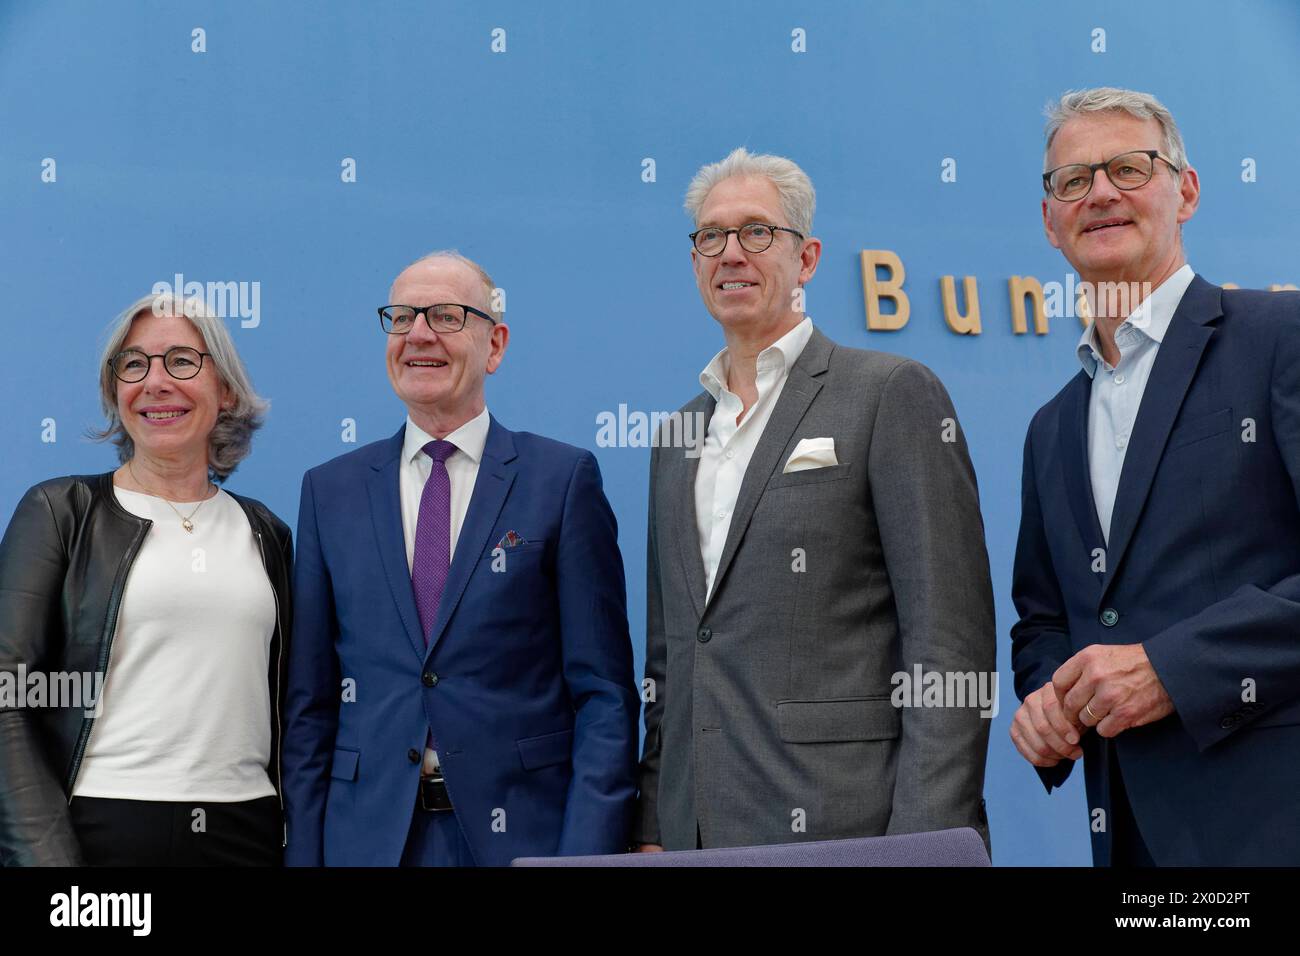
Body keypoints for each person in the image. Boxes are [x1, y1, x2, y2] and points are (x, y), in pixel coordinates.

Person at [635, 149, 996, 853]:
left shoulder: (889, 393)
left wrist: (924, 842)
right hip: (695, 835)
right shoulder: (676, 437)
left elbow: (948, 644)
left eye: (757, 232)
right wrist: (654, 819)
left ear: (807, 259)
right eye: (711, 236)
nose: (731, 253)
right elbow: (671, 658)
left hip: (847, 829)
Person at [1009, 87, 1300, 865]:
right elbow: (1044, 620)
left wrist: (1173, 670)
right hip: (1129, 834)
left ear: (1187, 190)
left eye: (1129, 168)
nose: (1100, 192)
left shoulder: (1280, 337)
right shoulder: (1049, 429)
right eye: (1073, 181)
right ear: (1050, 221)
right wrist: (1046, 701)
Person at [283, 250, 639, 866]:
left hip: (523, 841)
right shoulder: (329, 490)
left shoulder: (561, 480)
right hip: (366, 842)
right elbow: (310, 706)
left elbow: (603, 696)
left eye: (445, 316)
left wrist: (586, 857)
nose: (418, 334)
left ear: (494, 344)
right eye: (401, 318)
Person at [0, 293, 291, 866]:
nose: (155, 382)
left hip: (247, 833)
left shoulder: (267, 533)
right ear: (115, 392)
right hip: (101, 834)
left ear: (225, 390)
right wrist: (47, 861)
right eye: (134, 365)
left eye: (182, 360)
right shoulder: (62, 512)